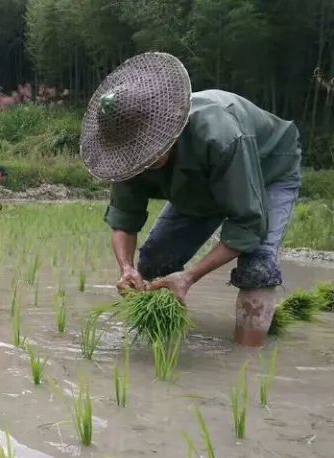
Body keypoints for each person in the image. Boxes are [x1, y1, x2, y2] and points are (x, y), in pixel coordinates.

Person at [79, 52, 302, 347]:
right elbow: (124, 217)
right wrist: (126, 268)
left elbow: (246, 223)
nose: (144, 158)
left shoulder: (219, 134)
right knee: (155, 261)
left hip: (267, 169)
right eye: (135, 153)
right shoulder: (128, 158)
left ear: (165, 127)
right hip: (196, 186)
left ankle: (248, 366)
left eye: (148, 148)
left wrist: (189, 276)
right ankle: (159, 352)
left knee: (257, 267)